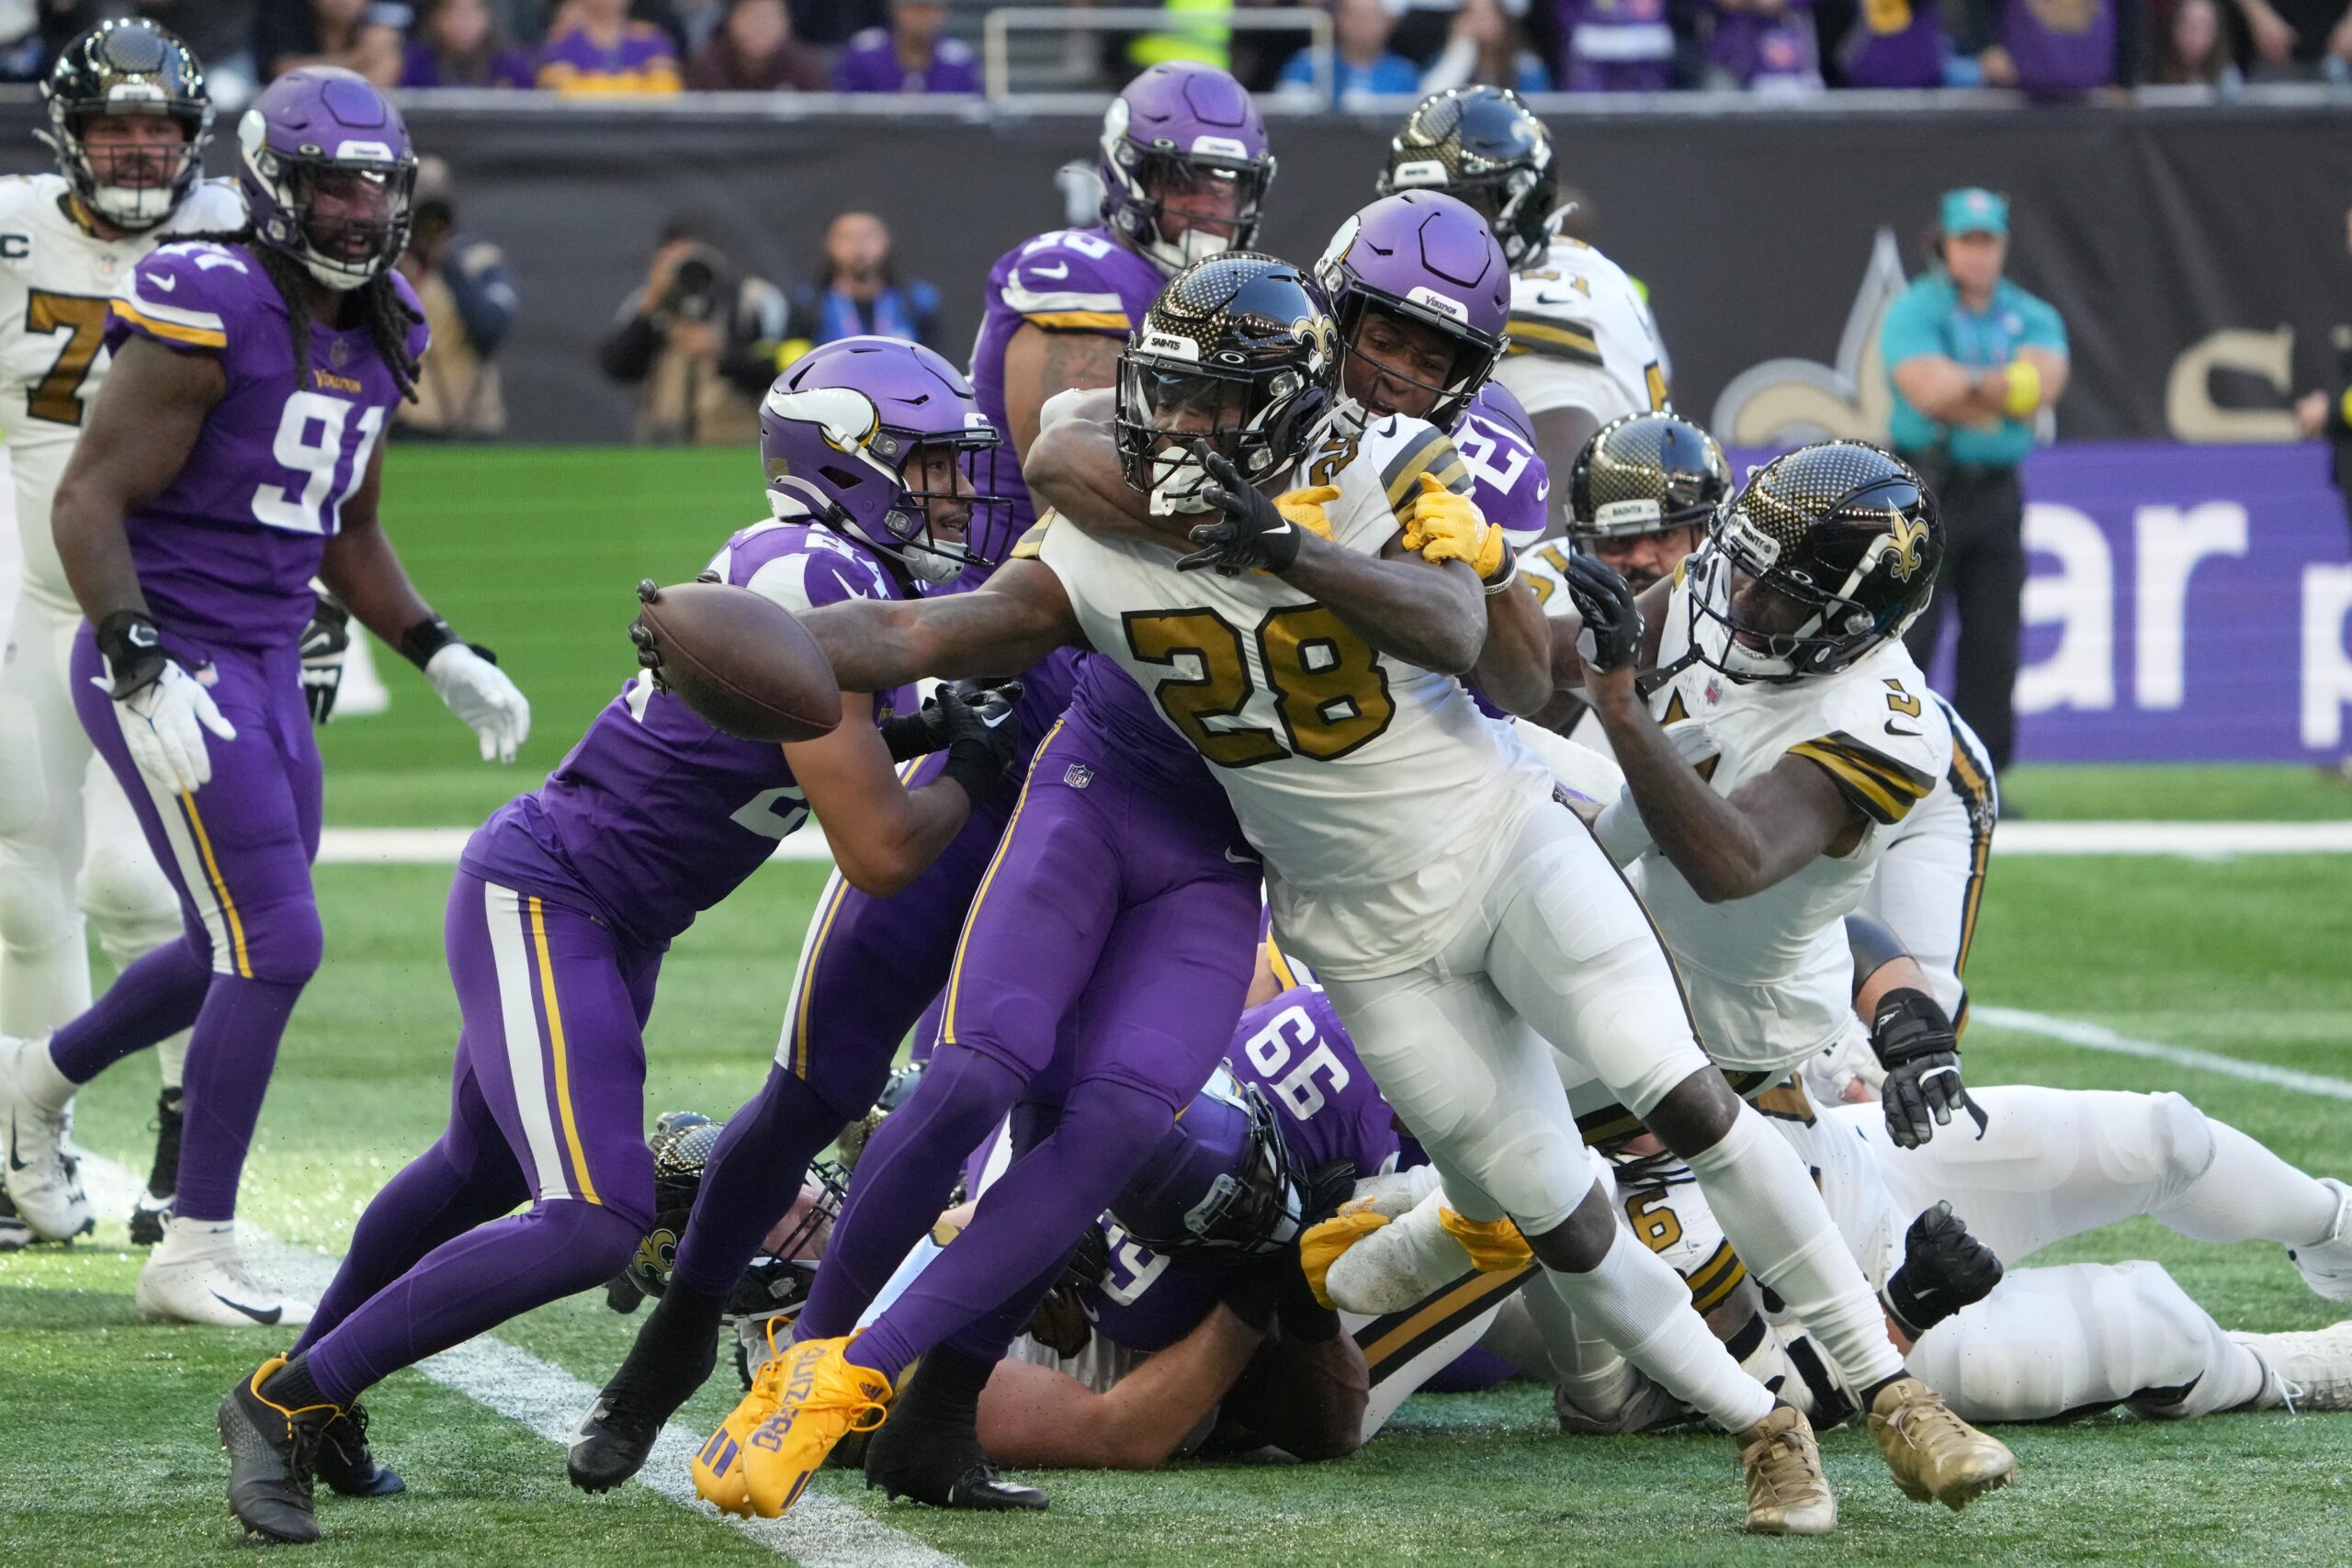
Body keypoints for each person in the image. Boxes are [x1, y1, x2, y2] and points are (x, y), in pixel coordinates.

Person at [714, 251, 2018, 1535]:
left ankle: (1892, 1387)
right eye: (1169, 397)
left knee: (1683, 1091)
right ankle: (1762, 1425)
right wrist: (735, 641)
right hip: (1360, 930)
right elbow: (939, 606)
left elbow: (1475, 643)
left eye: (1214, 405)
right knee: (1555, 1215)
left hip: (1504, 843)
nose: (1182, 428)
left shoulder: (1384, 471)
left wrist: (1300, 544)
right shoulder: (1107, 517)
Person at [560, 62, 1273, 1507]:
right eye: (1182, 180)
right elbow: (1071, 463)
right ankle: (686, 1336)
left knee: (1069, 1114)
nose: (1202, 207)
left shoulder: (1256, 324)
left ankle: (937, 1408)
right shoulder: (1077, 283)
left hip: (1132, 757)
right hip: (1022, 714)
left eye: (1224, 185)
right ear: (1132, 180)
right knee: (835, 1068)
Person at [210, 339, 1024, 1547]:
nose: (953, 493)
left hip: (609, 914)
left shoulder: (828, 569)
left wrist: (933, 716)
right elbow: (885, 849)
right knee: (595, 1210)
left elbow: (861, 726)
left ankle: (317, 1388)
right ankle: (284, 1399)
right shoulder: (809, 570)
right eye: (927, 466)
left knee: (473, 1173)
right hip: (556, 896)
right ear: (849, 467)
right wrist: (975, 762)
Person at [0, 66, 529, 1325]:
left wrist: (436, 644)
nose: (356, 210)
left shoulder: (386, 312)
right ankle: (192, 1241)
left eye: (376, 185)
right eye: (330, 185)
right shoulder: (207, 294)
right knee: (275, 940)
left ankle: (33, 1079)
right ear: (272, 188)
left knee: (221, 937)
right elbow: (87, 498)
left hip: (272, 656)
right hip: (175, 651)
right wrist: (136, 657)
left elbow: (343, 524)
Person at [0, 21, 248, 1249]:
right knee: (20, 884)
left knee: (145, 882)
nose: (140, 151)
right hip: (37, 596)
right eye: (115, 129)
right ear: (69, 137)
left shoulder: (236, 240)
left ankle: (182, 1125)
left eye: (159, 129)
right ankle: (28, 1145)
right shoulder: (12, 229)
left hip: (177, 603)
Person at [1382, 88, 1670, 537]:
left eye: (1460, 205)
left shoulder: (1526, 309)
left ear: (1525, 203)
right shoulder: (1580, 262)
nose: (1430, 231)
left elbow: (1544, 512)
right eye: (1413, 204)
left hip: (1604, 565)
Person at [1881, 187, 2067, 786]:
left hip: (1994, 492)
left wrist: (1969, 387)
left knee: (1993, 641)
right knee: (1909, 636)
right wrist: (2005, 390)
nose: (1978, 253)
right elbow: (1926, 390)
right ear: (1946, 243)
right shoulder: (1914, 308)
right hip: (1924, 489)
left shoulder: (2032, 313)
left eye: (1988, 241)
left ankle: (1982, 776)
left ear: (2003, 245)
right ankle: (1890, 762)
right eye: (1968, 240)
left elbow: (2045, 384)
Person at [595, 216, 787, 446]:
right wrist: (649, 307)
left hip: (734, 442)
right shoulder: (648, 302)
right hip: (662, 442)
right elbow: (614, 365)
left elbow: (778, 370)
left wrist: (722, 354)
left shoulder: (753, 299)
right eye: (674, 261)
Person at [393, 157, 517, 439]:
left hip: (473, 420)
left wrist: (448, 265)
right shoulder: (390, 265)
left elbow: (491, 331)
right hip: (408, 422)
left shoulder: (477, 259)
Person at [785, 211, 937, 351]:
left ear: (887, 240)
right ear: (829, 244)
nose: (859, 246)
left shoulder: (916, 302)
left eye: (869, 236)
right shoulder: (808, 304)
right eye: (847, 237)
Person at [1275, 0, 1425, 103]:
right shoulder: (1310, 63)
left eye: (1372, 17)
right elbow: (1287, 116)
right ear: (1339, 19)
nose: (1363, 25)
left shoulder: (1404, 73)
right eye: (1355, 16)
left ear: (1387, 23)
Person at [831, 0, 979, 92]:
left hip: (941, 140)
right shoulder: (864, 51)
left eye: (929, 9)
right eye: (914, 8)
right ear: (896, 10)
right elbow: (844, 111)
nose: (921, 17)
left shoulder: (958, 59)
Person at [535, 0, 682, 92]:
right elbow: (558, 92)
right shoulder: (563, 41)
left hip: (641, 134)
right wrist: (633, 84)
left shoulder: (650, 39)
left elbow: (666, 90)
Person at [254, 0, 406, 86]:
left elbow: (384, 74)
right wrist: (358, 58)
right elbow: (286, 72)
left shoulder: (377, 29)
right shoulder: (287, 14)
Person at [684, 0, 826, 89]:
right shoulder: (707, 66)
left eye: (768, 16)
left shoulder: (805, 67)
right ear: (732, 20)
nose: (760, 26)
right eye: (751, 15)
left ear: (785, 22)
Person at [399, 0, 534, 86]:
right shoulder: (415, 62)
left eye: (472, 11)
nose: (462, 22)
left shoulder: (511, 64)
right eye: (451, 10)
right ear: (436, 16)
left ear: (487, 15)